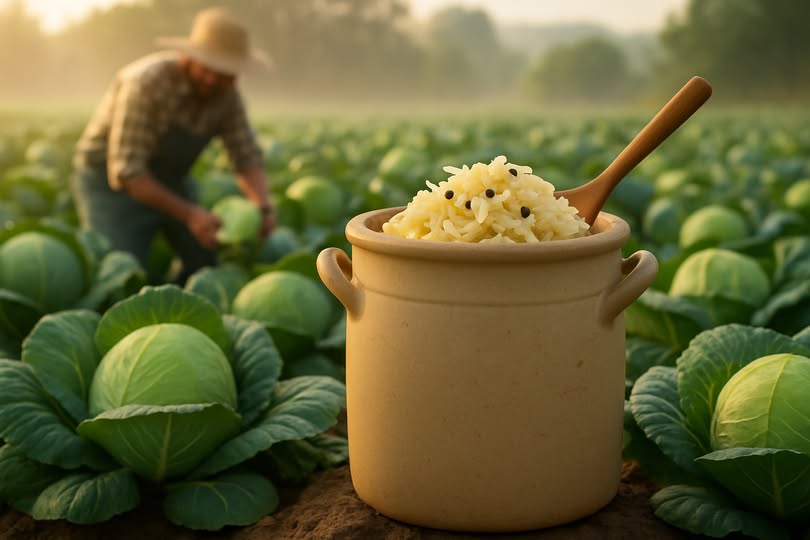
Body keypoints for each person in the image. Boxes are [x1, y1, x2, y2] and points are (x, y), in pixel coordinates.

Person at [70, 6, 275, 283]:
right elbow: (128, 173)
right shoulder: (146, 84)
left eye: (225, 72)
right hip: (110, 185)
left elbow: (246, 156)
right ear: (189, 56)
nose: (213, 78)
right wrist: (190, 214)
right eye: (208, 66)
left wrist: (263, 206)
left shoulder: (226, 96)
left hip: (170, 179)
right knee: (120, 271)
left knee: (204, 259)